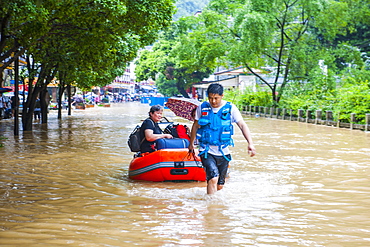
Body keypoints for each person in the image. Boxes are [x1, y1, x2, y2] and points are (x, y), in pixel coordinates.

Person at [189, 83, 256, 194]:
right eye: (210, 98)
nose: (213, 101)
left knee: (220, 185)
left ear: (222, 96)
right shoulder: (202, 107)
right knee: (213, 178)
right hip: (206, 150)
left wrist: (250, 143)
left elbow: (242, 125)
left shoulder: (231, 108)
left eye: (216, 98)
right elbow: (195, 125)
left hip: (224, 152)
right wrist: (191, 143)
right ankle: (211, 207)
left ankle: (214, 202)